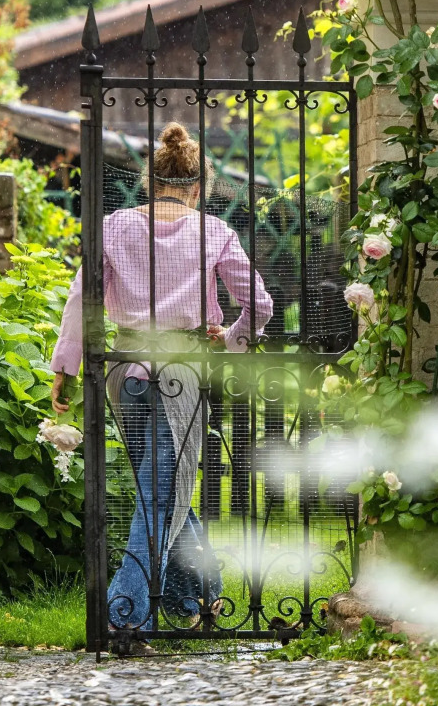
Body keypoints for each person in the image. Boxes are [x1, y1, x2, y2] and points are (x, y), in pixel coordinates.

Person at [50, 122, 272, 632]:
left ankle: (196, 597)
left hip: (125, 370)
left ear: (151, 182)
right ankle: (124, 615)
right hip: (181, 371)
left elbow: (82, 298)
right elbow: (259, 304)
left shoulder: (113, 226)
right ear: (198, 189)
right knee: (162, 491)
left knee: (162, 486)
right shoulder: (213, 232)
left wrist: (66, 365)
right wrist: (232, 339)